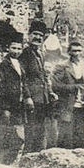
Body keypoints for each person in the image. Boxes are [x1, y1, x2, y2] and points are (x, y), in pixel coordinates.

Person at [20, 20, 56, 152]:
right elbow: (22, 78)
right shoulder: (24, 54)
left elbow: (43, 77)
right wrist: (27, 97)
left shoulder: (40, 54)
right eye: (35, 34)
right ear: (29, 35)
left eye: (41, 35)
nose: (38, 37)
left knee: (41, 131)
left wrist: (49, 92)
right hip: (32, 100)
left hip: (42, 99)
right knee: (31, 132)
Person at [52, 40, 84, 149]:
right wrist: (74, 87)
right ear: (69, 52)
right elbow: (55, 86)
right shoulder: (62, 66)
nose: (77, 53)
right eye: (74, 51)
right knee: (65, 138)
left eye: (79, 51)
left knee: (80, 138)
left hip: (82, 105)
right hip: (67, 106)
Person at [0, 32, 26, 163]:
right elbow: (2, 86)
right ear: (8, 48)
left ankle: (14, 160)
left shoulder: (20, 63)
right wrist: (5, 107)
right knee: (9, 133)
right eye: (13, 48)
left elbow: (23, 82)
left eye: (19, 48)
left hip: (19, 103)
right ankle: (6, 162)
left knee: (19, 133)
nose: (16, 51)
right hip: (9, 104)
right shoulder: (4, 64)